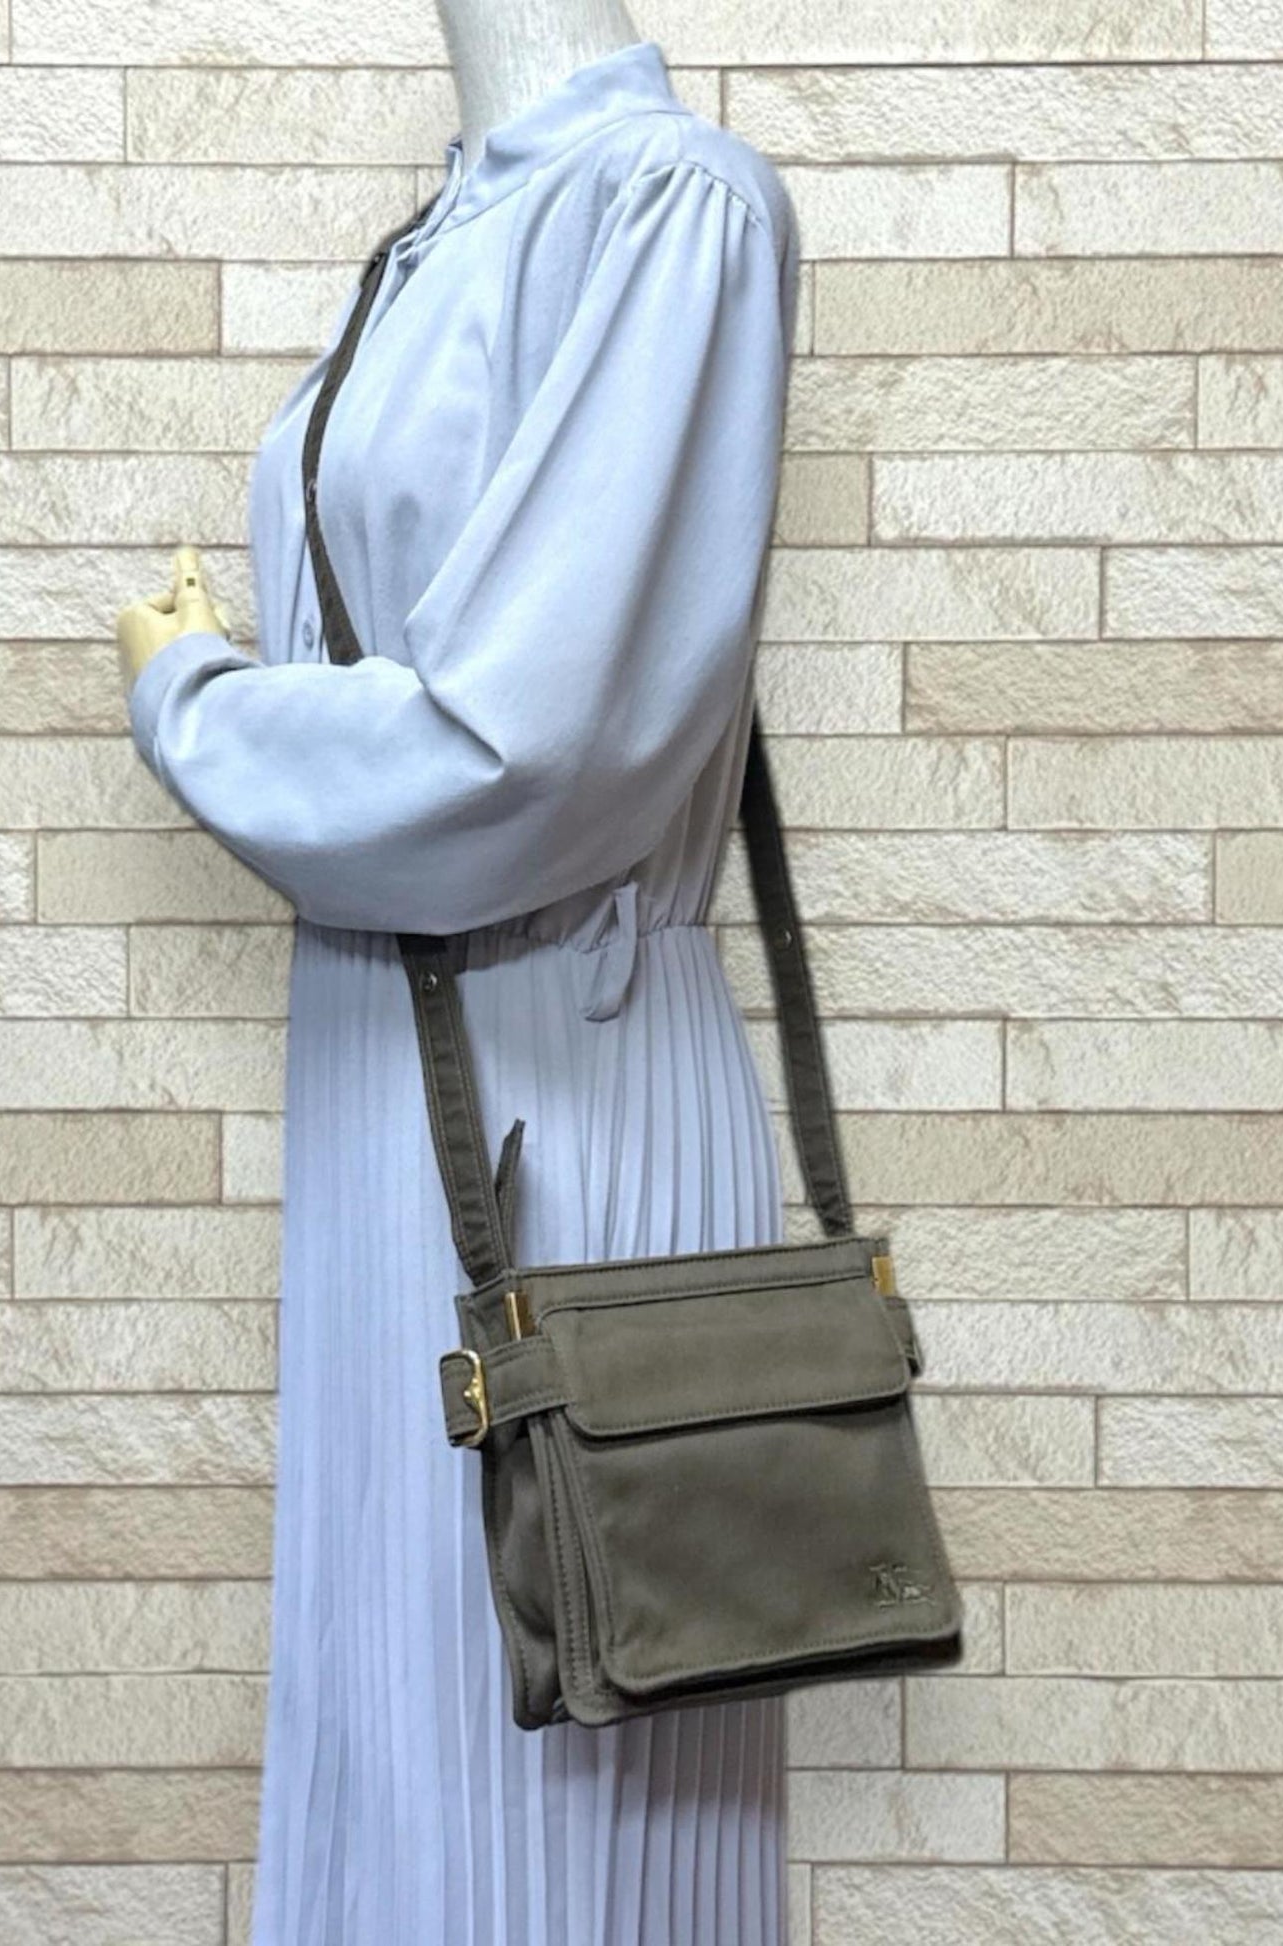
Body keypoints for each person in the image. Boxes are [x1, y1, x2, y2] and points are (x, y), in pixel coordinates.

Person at [119, 34, 801, 1945]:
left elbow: (527, 750)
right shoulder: (440, 234)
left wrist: (195, 699)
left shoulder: (671, 205)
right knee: (398, 1741)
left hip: (561, 1089)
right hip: (382, 1085)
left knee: (567, 1797)